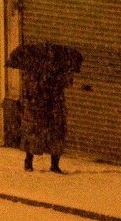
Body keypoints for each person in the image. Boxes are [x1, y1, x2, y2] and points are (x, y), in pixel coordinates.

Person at [7, 42, 83, 173]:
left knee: (41, 134)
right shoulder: (43, 73)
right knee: (45, 134)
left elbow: (29, 90)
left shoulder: (33, 70)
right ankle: (38, 163)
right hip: (44, 107)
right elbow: (34, 90)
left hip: (43, 107)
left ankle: (34, 162)